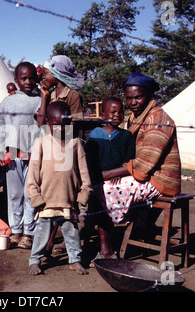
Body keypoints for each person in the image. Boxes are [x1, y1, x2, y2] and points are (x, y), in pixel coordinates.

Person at [92, 72, 181, 259]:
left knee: (104, 188)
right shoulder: (136, 117)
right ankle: (108, 243)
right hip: (145, 175)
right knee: (98, 187)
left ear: (149, 95)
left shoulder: (158, 119)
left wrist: (105, 174)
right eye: (129, 98)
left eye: (138, 97)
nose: (133, 102)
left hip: (160, 179)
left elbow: (144, 163)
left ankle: (106, 249)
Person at [27, 101, 92, 275]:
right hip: (46, 202)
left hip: (68, 201)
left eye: (65, 124)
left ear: (70, 122)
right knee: (41, 234)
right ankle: (35, 260)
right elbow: (32, 175)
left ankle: (75, 260)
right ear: (48, 122)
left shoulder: (76, 143)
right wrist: (36, 197)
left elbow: (84, 174)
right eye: (56, 125)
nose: (61, 129)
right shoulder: (41, 143)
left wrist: (83, 195)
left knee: (71, 233)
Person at [0, 62, 41, 249]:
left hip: (33, 155)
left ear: (36, 79)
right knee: (14, 195)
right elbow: (0, 127)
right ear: (16, 80)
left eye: (31, 77)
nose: (28, 81)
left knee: (31, 194)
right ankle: (15, 231)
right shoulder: (7, 102)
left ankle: (29, 233)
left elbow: (45, 128)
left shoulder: (40, 100)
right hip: (12, 154)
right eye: (24, 78)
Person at [83, 96, 135, 264]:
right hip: (98, 180)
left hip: (119, 181)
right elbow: (89, 163)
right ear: (103, 113)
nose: (117, 115)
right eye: (112, 112)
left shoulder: (126, 136)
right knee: (100, 198)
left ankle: (107, 245)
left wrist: (117, 174)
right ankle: (104, 245)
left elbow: (130, 161)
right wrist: (102, 176)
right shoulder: (95, 136)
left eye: (120, 112)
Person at [36, 55, 84, 127]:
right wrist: (44, 97)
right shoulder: (50, 95)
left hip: (66, 137)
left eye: (46, 73)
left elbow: (74, 126)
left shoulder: (73, 95)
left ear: (56, 73)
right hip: (50, 137)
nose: (44, 77)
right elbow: (40, 124)